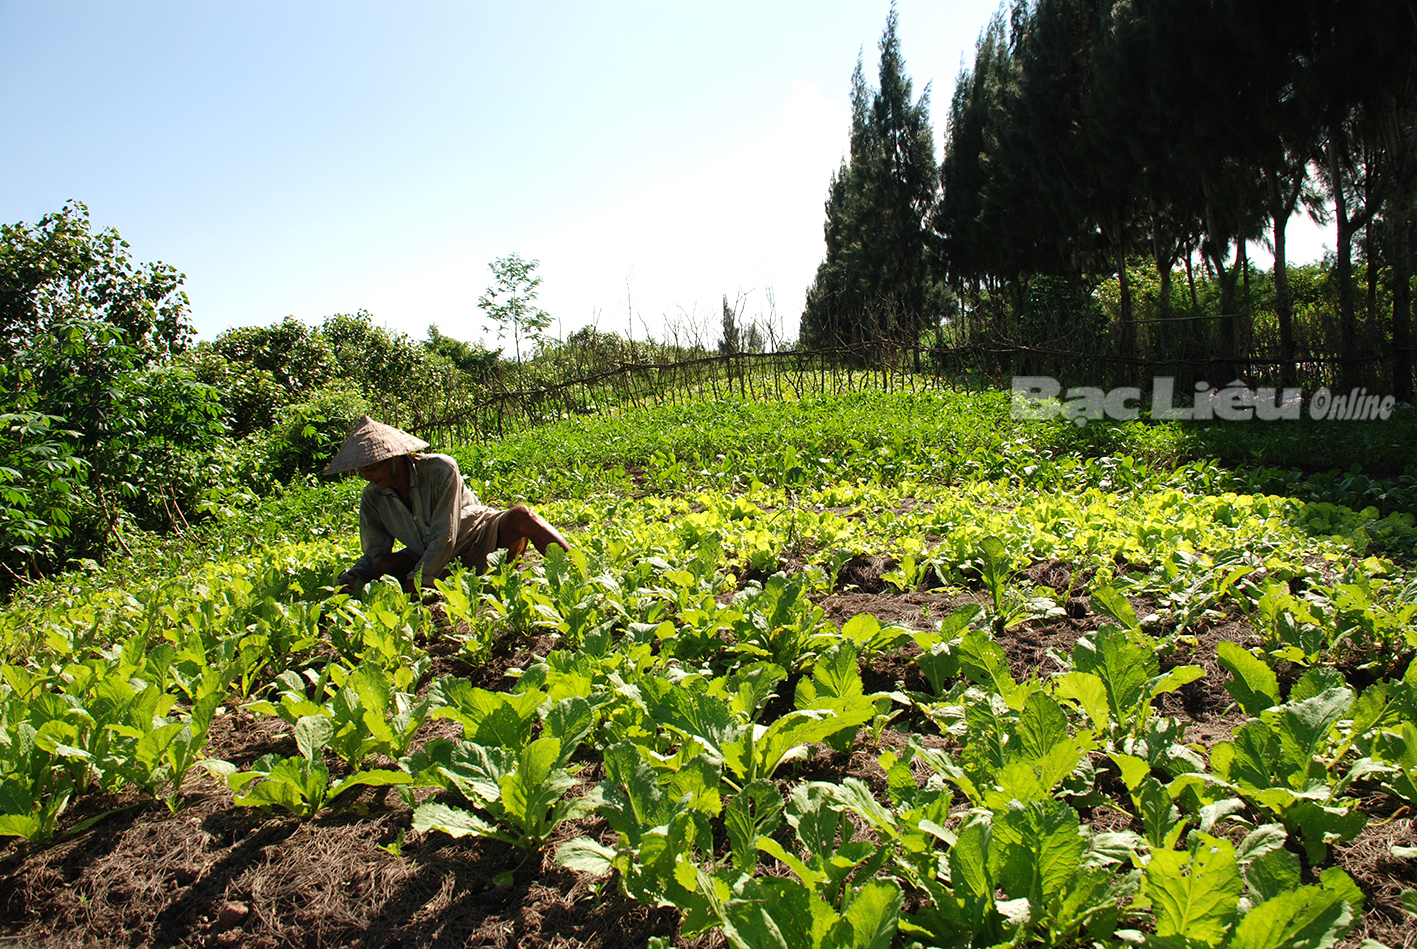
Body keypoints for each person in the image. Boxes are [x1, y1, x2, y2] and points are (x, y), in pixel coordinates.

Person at [324, 415, 569, 595]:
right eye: (361, 470)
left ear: (395, 459)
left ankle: (572, 567)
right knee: (382, 566)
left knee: (521, 516)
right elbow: (375, 551)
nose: (367, 476)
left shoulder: (440, 469)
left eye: (372, 467)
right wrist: (354, 576)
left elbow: (446, 536)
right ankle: (443, 582)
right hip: (430, 558)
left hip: (478, 540)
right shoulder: (373, 498)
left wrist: (417, 580)